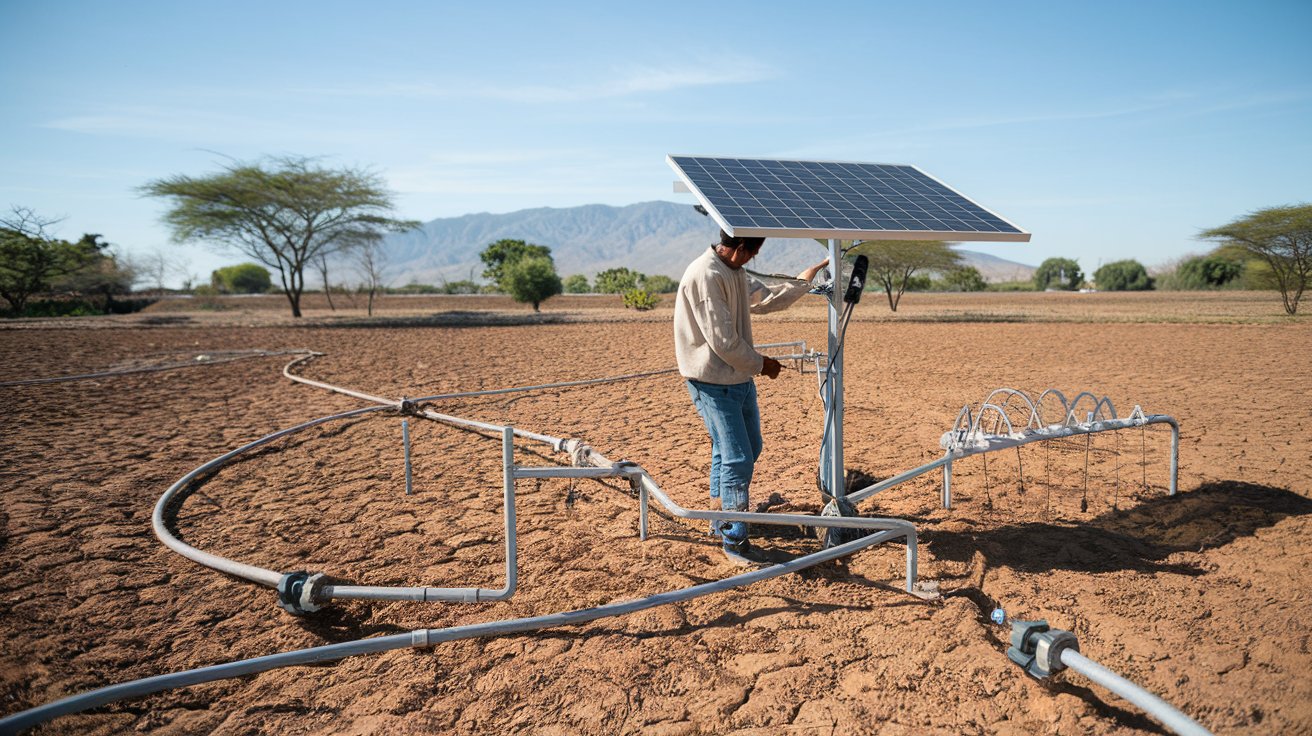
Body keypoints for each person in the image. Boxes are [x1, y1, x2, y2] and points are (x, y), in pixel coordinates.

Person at [674, 229, 828, 565]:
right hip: (712, 380)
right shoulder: (706, 276)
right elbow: (723, 341)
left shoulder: (734, 271)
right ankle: (734, 541)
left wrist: (807, 278)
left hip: (736, 377)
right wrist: (763, 364)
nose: (752, 260)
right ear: (740, 247)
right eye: (752, 253)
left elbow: (766, 297)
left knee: (744, 449)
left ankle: (720, 517)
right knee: (738, 458)